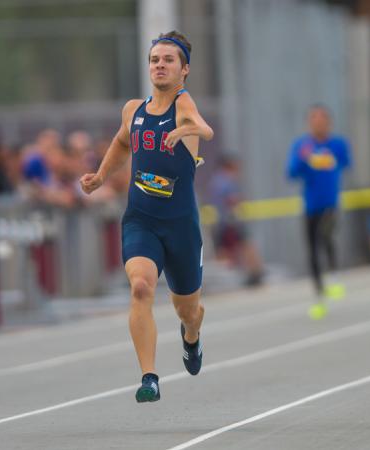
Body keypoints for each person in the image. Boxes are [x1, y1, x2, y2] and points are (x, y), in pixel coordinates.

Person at [80, 31, 213, 403]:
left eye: (169, 60)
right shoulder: (133, 110)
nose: (160, 65)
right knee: (140, 287)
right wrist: (101, 176)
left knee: (188, 310)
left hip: (181, 225)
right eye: (155, 59)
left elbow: (204, 128)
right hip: (141, 219)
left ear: (184, 70)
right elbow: (123, 142)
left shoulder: (183, 103)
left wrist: (187, 130)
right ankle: (149, 377)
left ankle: (191, 337)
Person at [286, 104, 351, 320]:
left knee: (326, 235)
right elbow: (292, 172)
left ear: (329, 122)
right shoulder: (302, 146)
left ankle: (333, 275)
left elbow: (345, 163)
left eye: (322, 120)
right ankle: (319, 295)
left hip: (330, 203)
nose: (318, 124)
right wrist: (304, 159)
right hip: (310, 205)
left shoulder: (337, 144)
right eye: (314, 120)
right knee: (312, 249)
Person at [209, 154, 264, 287]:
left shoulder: (216, 180)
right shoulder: (227, 180)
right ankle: (254, 272)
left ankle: (224, 278)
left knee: (223, 250)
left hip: (222, 221)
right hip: (231, 221)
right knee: (243, 245)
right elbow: (232, 199)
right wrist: (239, 206)